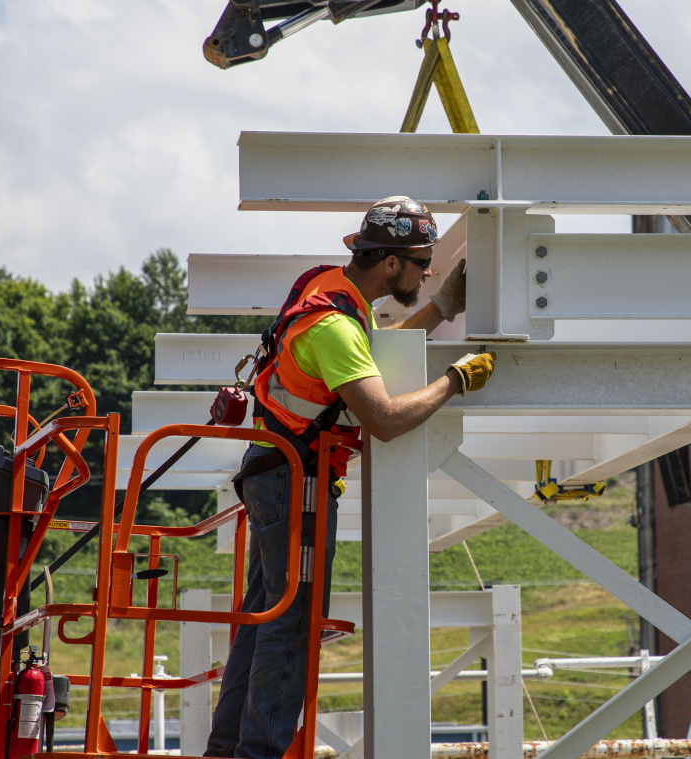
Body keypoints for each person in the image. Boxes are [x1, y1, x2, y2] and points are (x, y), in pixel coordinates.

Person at [205, 196, 496, 759]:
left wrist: (439, 308)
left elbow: (362, 366)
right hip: (299, 485)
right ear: (391, 263)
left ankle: (226, 751)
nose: (426, 272)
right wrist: (454, 381)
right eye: (421, 263)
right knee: (292, 622)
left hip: (275, 473)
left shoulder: (326, 286)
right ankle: (258, 754)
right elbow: (384, 419)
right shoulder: (335, 325)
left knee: (264, 612)